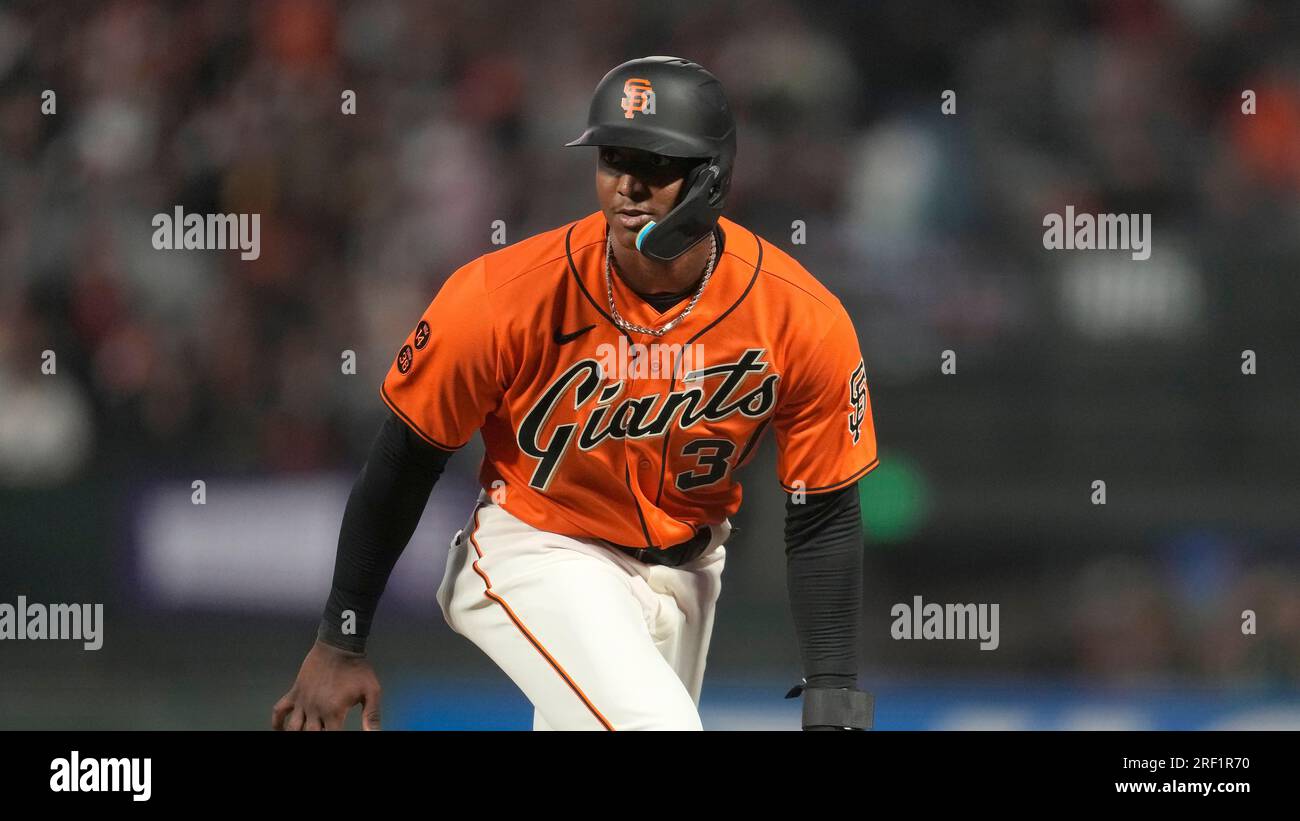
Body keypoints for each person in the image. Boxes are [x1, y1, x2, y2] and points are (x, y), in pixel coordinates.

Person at [272, 56, 878, 731]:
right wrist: (340, 636)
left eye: (654, 164)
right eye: (613, 157)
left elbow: (822, 509)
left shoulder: (798, 316)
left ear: (713, 179)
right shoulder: (500, 297)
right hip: (537, 545)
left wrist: (833, 686)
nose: (626, 185)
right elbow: (404, 461)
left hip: (689, 570)